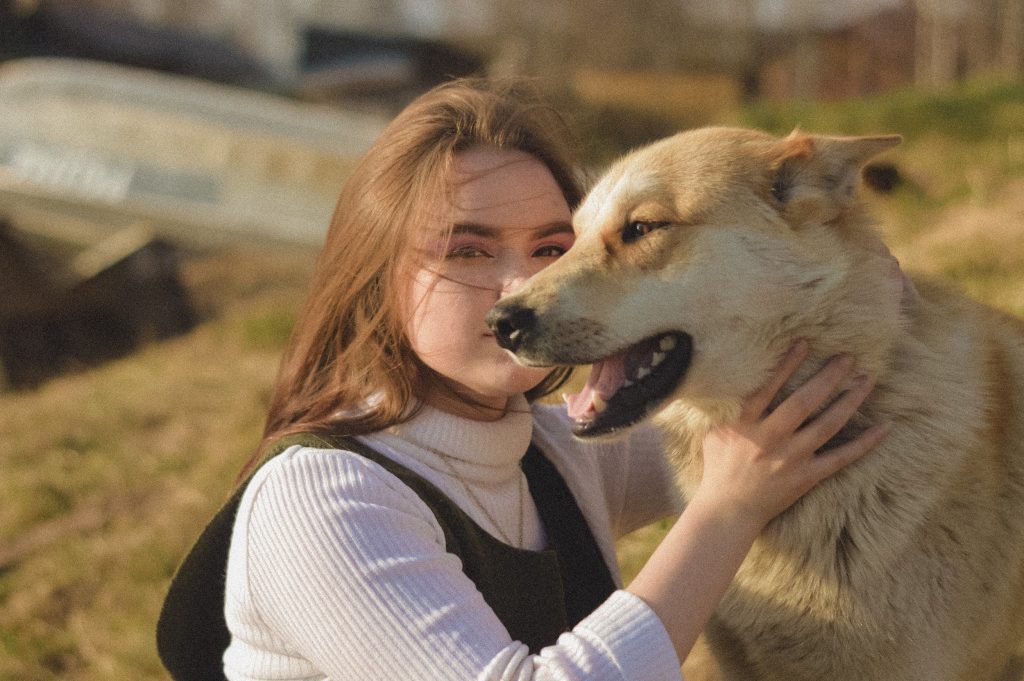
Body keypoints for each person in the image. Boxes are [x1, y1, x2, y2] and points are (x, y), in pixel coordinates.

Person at [157, 78, 890, 681]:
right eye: (468, 252)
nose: (523, 287)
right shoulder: (323, 498)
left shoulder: (551, 446)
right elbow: (738, 478)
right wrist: (725, 509)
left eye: (550, 246)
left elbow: (774, 414)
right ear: (377, 278)